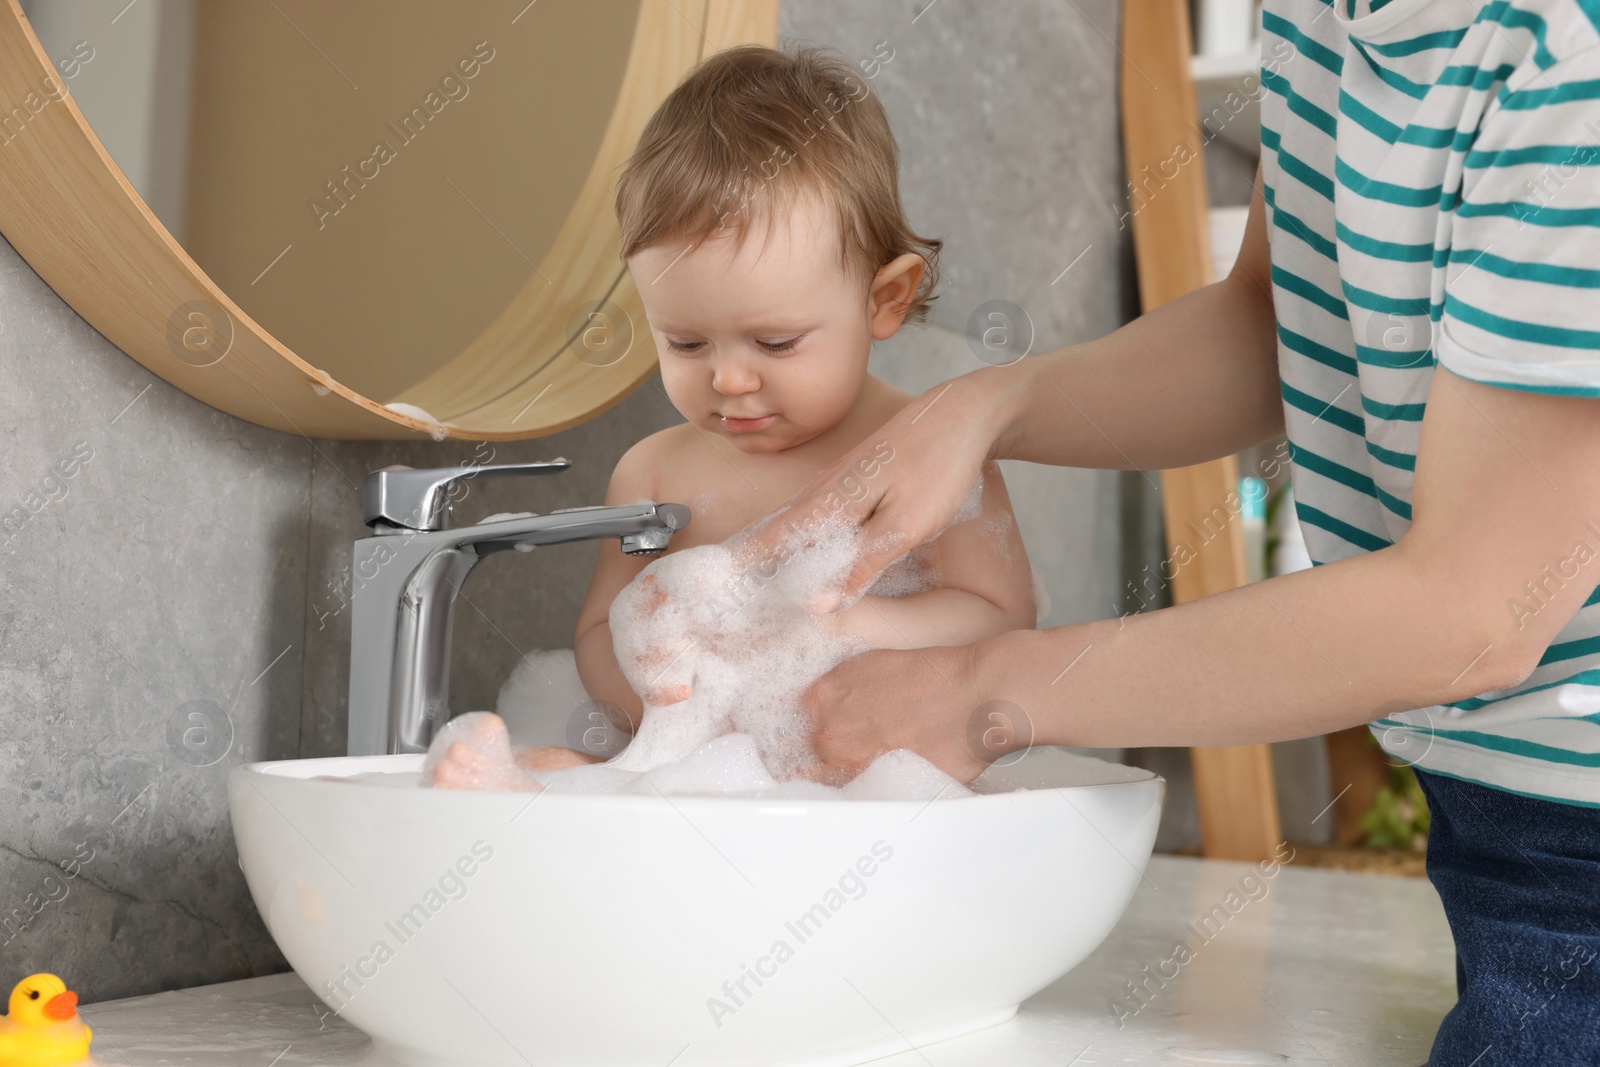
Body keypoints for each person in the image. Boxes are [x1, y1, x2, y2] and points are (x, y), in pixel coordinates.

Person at [766, 1, 1600, 1062]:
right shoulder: (1323, 13)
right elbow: (1272, 321)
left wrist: (987, 691)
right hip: (1496, 804)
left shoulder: (1569, 56)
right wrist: (989, 407)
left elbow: (1475, 614)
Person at [427, 43, 1037, 791]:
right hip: (705, 761)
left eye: (775, 341)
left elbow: (1001, 623)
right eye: (684, 341)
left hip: (876, 765)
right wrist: (669, 702)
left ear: (884, 300)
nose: (728, 377)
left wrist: (848, 632)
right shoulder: (652, 470)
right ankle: (527, 788)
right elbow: (597, 633)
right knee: (583, 773)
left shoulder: (931, 454)